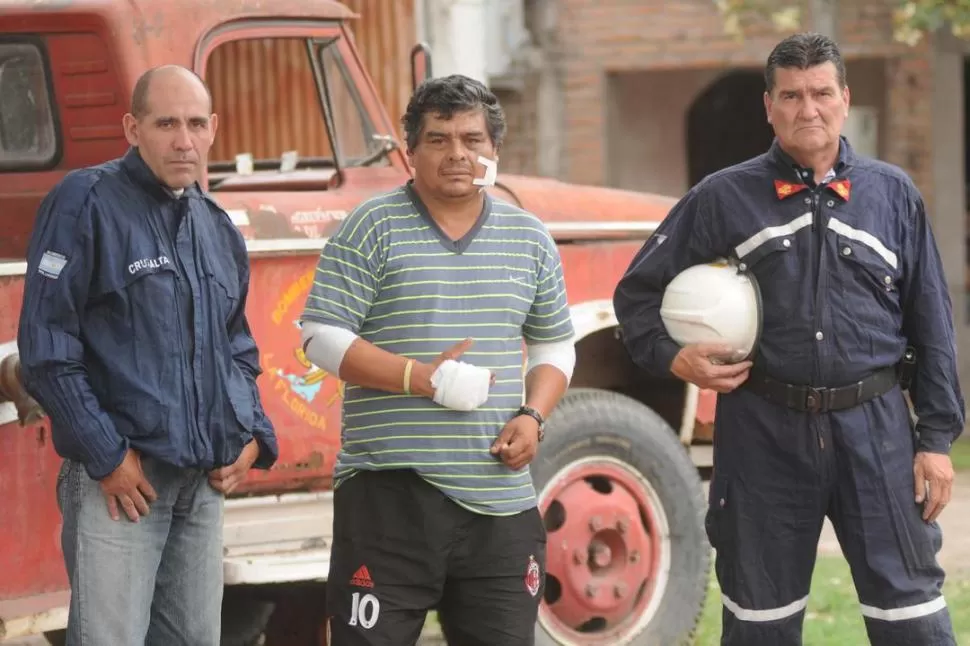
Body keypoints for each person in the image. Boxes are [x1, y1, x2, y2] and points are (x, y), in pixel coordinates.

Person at [613, 33, 964, 646]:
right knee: (760, 625)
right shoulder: (722, 197)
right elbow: (635, 297)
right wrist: (676, 359)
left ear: (844, 99)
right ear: (768, 106)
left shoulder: (893, 195)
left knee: (913, 621)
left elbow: (930, 319)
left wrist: (934, 439)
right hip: (763, 434)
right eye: (793, 96)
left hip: (877, 432)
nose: (809, 110)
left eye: (822, 94)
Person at [300, 74, 575, 645]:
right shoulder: (371, 227)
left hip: (500, 503)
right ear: (410, 152)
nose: (458, 154)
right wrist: (417, 378)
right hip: (388, 499)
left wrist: (533, 415)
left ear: (494, 150)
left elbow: (553, 344)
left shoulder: (529, 238)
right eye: (439, 139)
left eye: (473, 140)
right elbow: (321, 336)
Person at [17, 65, 279, 646]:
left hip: (202, 484)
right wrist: (107, 457)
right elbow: (45, 347)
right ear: (133, 128)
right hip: (122, 483)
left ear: (212, 129)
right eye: (165, 124)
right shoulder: (84, 202)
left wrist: (253, 433)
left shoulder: (215, 226)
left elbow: (236, 346)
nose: (182, 140)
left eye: (193, 124)